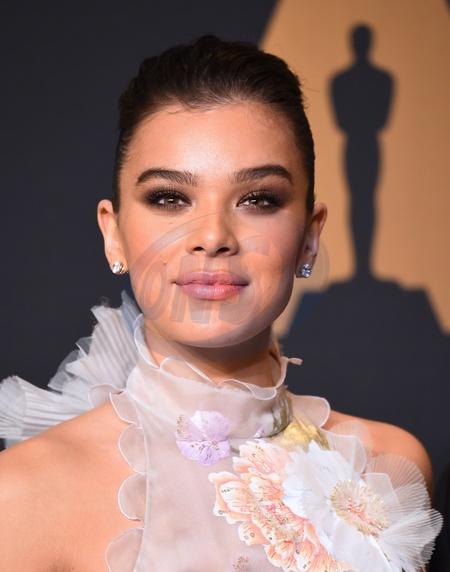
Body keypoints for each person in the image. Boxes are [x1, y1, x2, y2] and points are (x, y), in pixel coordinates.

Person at [0, 36, 441, 571]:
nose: (212, 237)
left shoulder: (388, 468)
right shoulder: (21, 496)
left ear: (309, 237)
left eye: (259, 200)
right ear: (114, 235)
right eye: (169, 198)